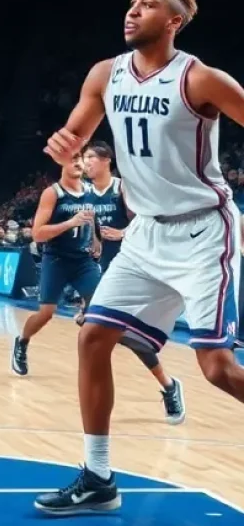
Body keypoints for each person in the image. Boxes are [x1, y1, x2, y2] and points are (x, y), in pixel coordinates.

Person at [35, 0, 244, 517]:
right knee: (93, 338)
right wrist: (65, 143)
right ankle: (99, 477)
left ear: (173, 21)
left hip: (204, 230)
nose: (133, 12)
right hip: (148, 231)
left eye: (148, 5)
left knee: (218, 368)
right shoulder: (105, 75)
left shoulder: (201, 80)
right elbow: (75, 137)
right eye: (131, 3)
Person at [82, 141, 185, 424]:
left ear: (106, 160)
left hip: (138, 263)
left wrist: (124, 233)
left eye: (90, 157)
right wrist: (96, 243)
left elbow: (146, 216)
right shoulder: (88, 193)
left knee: (122, 336)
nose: (85, 162)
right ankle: (163, 387)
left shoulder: (123, 186)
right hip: (108, 267)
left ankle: (168, 385)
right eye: (84, 158)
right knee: (97, 333)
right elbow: (95, 226)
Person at [11, 152, 100, 375]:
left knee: (100, 302)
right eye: (73, 159)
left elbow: (92, 218)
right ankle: (22, 341)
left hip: (82, 259)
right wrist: (70, 223)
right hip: (56, 259)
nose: (79, 163)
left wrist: (97, 240)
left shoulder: (91, 191)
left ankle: (83, 316)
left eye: (82, 159)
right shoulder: (52, 194)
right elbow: (38, 234)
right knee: (46, 313)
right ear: (62, 163)